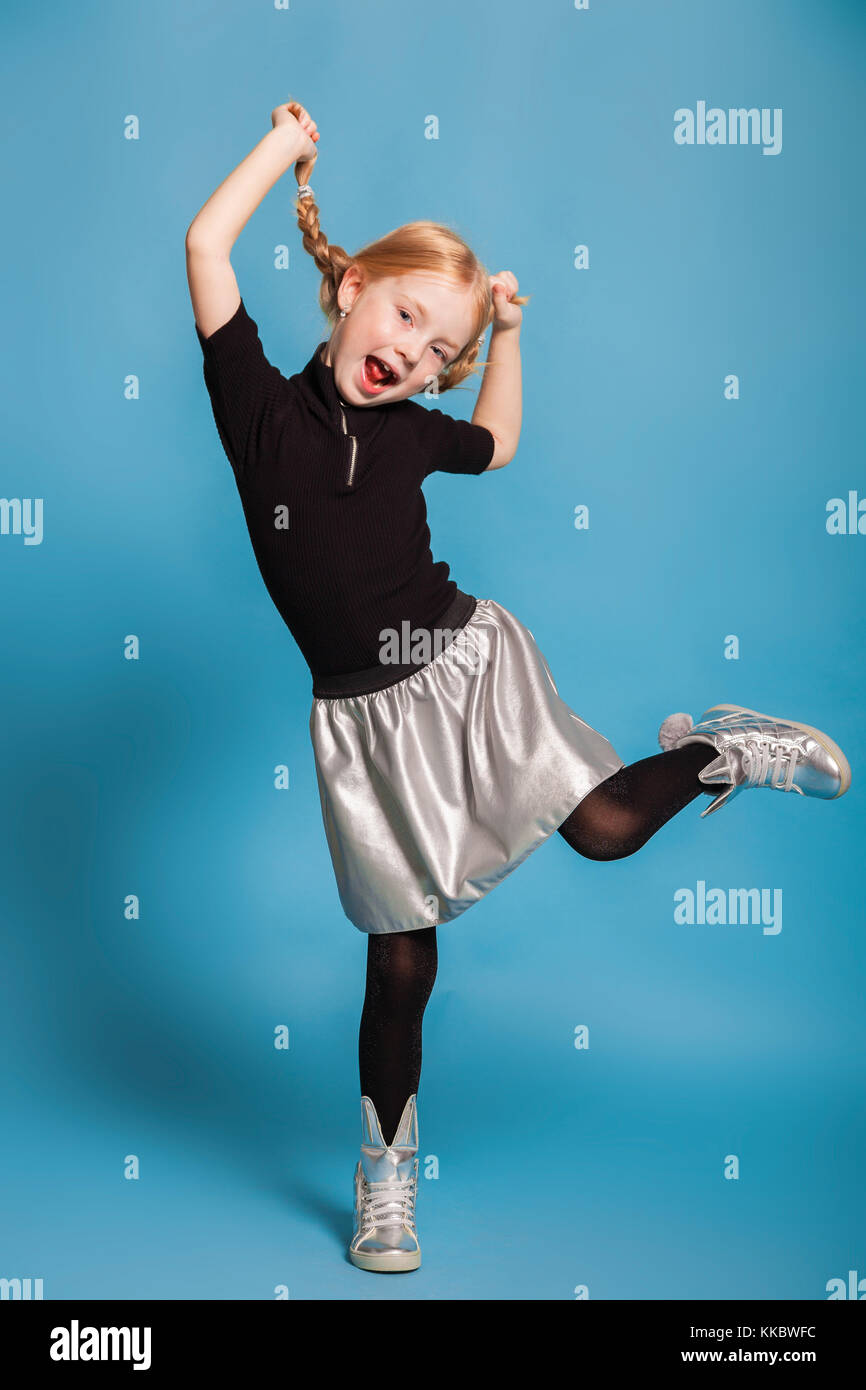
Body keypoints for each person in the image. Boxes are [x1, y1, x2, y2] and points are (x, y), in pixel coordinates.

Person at [185, 100, 852, 1276]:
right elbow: (203, 246)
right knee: (401, 960)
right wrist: (283, 155)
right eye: (404, 316)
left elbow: (497, 442)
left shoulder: (412, 432)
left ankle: (727, 747)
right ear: (348, 293)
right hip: (359, 724)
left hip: (463, 667)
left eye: (437, 350)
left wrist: (506, 337)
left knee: (598, 829)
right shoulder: (258, 411)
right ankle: (383, 1176)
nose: (413, 355)